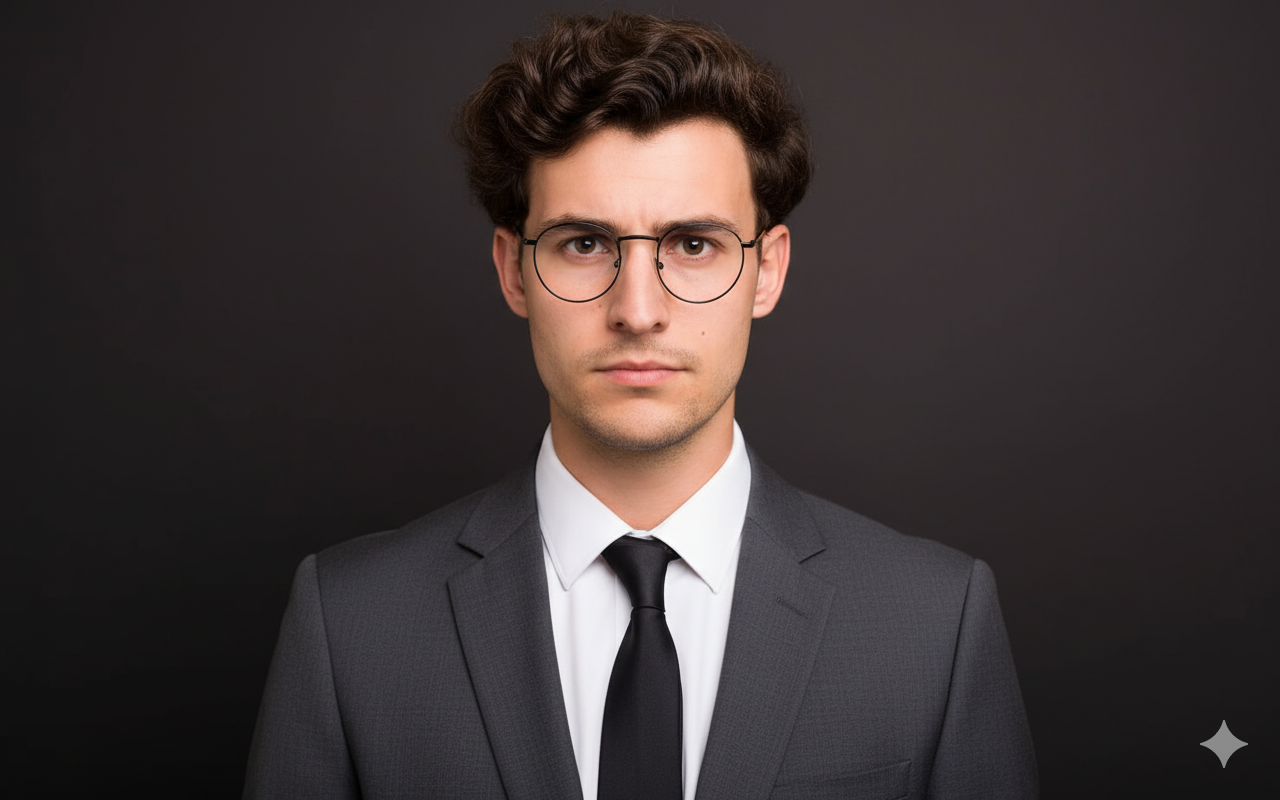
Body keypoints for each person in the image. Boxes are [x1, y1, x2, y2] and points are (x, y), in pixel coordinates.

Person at [243, 11, 1037, 800]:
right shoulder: (350, 625)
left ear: (767, 271)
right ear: (513, 270)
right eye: (584, 243)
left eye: (694, 245)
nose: (639, 310)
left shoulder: (934, 623)